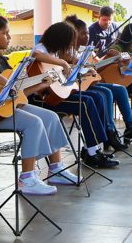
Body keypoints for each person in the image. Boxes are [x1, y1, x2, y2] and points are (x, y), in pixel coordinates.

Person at [0, 14, 82, 195]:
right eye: (4, 33)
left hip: (5, 109)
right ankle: (27, 178)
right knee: (33, 123)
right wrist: (7, 83)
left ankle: (57, 169)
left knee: (51, 117)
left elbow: (19, 95)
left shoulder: (3, 61)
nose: (9, 37)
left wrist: (41, 84)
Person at [31, 21, 120, 168]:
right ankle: (92, 154)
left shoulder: (54, 52)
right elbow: (35, 54)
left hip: (56, 94)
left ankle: (91, 148)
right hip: (42, 99)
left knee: (96, 97)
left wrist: (80, 71)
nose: (69, 46)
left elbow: (59, 75)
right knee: (85, 102)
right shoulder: (41, 48)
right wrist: (63, 63)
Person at [67, 16, 132, 146]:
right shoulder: (68, 52)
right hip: (80, 86)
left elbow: (97, 66)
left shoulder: (86, 50)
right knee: (105, 93)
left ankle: (130, 127)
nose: (87, 36)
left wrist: (110, 57)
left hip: (90, 82)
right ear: (74, 34)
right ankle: (109, 132)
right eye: (84, 33)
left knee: (120, 89)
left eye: (88, 33)